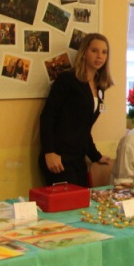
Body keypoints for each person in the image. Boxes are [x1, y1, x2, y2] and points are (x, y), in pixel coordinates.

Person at [38, 33, 113, 186]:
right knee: (69, 200)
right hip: (58, 158)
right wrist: (49, 152)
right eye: (94, 50)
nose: (99, 56)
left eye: (104, 52)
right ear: (84, 52)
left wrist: (95, 156)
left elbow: (84, 128)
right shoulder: (67, 80)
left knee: (86, 198)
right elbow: (48, 116)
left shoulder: (99, 87)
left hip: (78, 158)